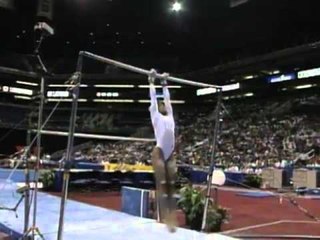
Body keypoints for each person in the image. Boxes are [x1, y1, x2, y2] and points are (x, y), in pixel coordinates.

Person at [148, 69, 177, 232]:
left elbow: (167, 100)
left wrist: (164, 83)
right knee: (162, 183)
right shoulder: (156, 117)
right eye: (160, 105)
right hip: (159, 151)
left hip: (170, 153)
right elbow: (153, 100)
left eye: (163, 104)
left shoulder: (170, 115)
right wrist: (151, 81)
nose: (163, 105)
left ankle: (169, 217)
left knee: (171, 185)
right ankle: (162, 216)